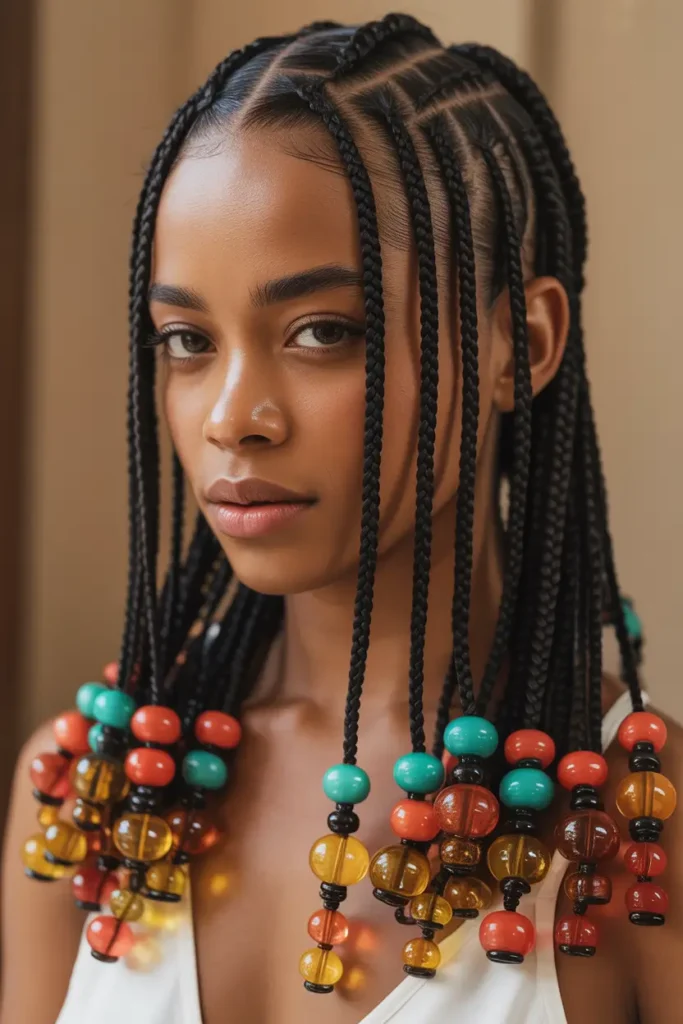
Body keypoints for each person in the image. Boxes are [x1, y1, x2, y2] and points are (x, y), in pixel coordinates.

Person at [1, 14, 681, 1024]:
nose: (233, 415)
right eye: (186, 339)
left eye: (322, 331)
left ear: (518, 344)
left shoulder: (627, 831)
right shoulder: (83, 795)